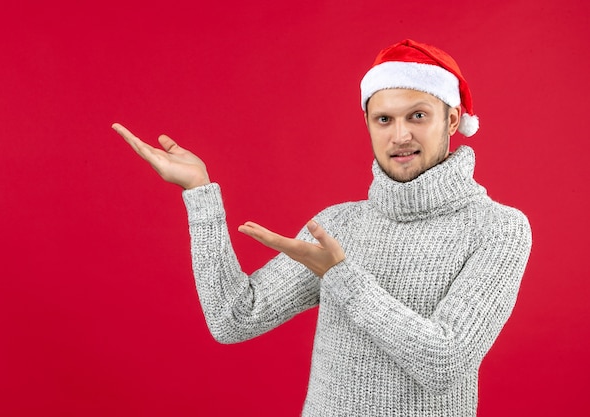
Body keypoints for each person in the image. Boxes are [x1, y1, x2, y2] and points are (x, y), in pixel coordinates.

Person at [113, 39, 532, 417]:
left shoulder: (498, 229)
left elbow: (443, 362)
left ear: (453, 119)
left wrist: (341, 276)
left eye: (418, 115)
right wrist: (200, 194)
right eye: (384, 120)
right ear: (368, 123)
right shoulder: (338, 224)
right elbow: (233, 319)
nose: (400, 135)